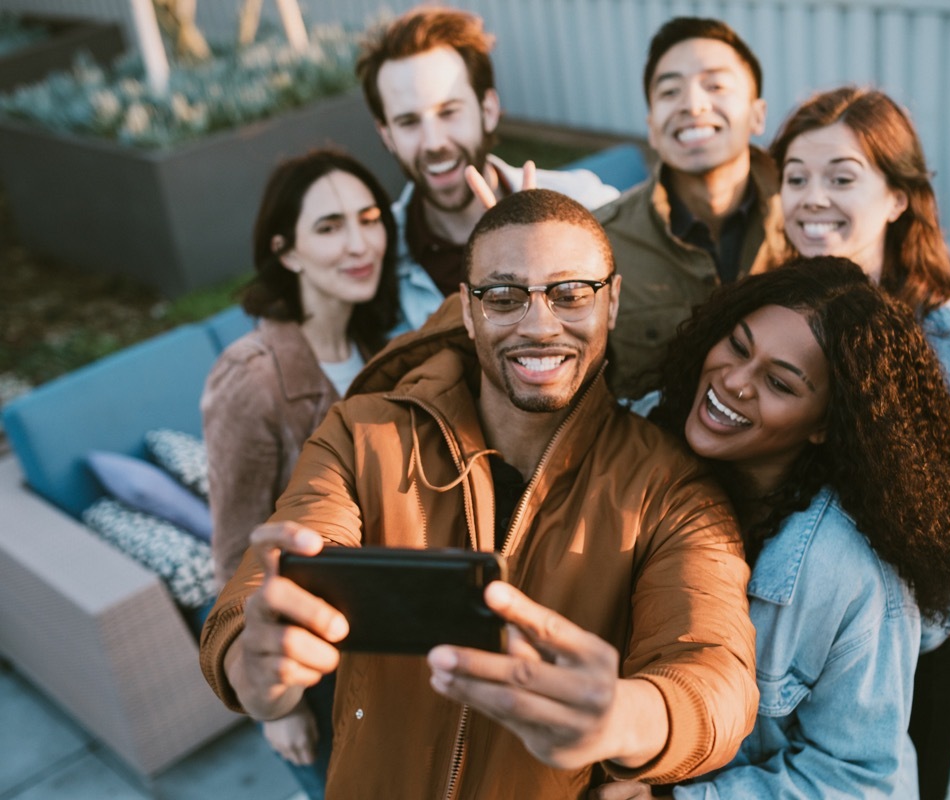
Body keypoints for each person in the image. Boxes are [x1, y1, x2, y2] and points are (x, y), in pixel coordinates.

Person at [198, 189, 758, 799]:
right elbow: (252, 600)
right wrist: (255, 668)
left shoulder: (673, 490)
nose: (540, 325)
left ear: (613, 302)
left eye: (571, 294)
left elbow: (717, 675)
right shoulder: (362, 432)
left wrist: (628, 716)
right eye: (504, 297)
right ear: (467, 311)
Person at [595, 257, 950, 799]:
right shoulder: (647, 425)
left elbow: (856, 780)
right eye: (736, 344)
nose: (733, 382)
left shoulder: (849, 572)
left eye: (779, 382)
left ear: (826, 423)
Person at [768, 86, 950, 799]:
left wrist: (913, 593)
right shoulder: (768, 319)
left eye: (842, 177)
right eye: (796, 176)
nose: (813, 197)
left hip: (927, 659)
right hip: (786, 655)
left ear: (899, 197)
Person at [200, 148, 399, 799]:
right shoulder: (251, 376)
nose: (359, 241)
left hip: (389, 636)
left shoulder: (381, 349)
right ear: (286, 252)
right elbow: (235, 549)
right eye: (329, 227)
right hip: (317, 657)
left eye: (369, 219)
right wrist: (279, 707)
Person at [356, 4, 619, 333]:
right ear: (387, 136)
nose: (434, 142)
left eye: (448, 112)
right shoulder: (373, 260)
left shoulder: (586, 205)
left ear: (489, 109)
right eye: (408, 122)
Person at [595, 16, 790, 398]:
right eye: (670, 92)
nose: (693, 105)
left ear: (757, 114)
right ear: (652, 126)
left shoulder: (805, 219)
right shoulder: (601, 245)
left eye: (715, 85)